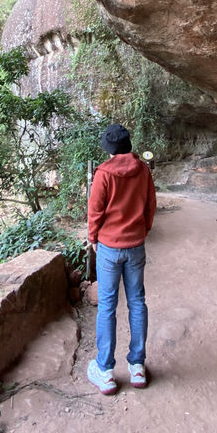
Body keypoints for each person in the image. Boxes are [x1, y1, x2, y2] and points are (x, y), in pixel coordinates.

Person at [87, 123, 157, 395]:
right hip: (135, 245)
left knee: (107, 306)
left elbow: (95, 211)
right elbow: (151, 205)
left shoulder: (103, 174)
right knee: (137, 302)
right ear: (128, 145)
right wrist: (142, 231)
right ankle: (137, 367)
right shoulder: (143, 171)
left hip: (109, 247)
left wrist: (93, 237)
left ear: (109, 149)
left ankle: (105, 371)